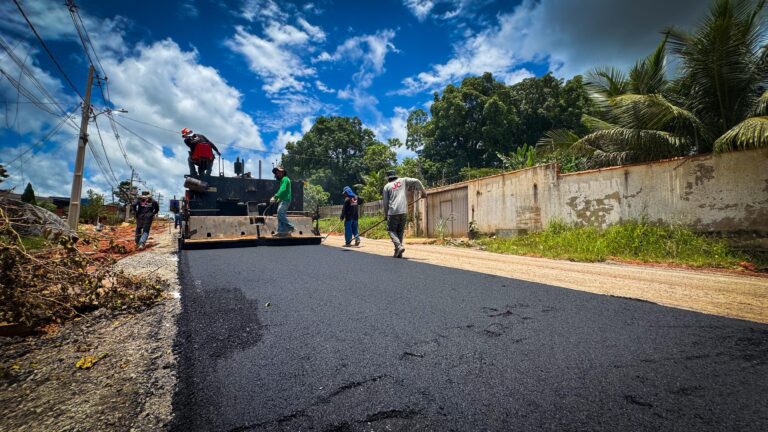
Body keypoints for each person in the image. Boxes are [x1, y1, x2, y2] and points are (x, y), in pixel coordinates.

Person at [382, 170, 426, 258]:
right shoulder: (403, 180)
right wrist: (424, 192)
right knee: (400, 231)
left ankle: (398, 246)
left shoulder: (387, 186)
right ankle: (398, 252)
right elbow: (417, 181)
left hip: (393, 212)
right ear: (396, 176)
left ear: (388, 178)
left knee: (391, 230)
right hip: (404, 211)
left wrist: (386, 214)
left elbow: (385, 202)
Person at [270, 166, 294, 236]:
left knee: (280, 213)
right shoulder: (282, 180)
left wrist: (275, 197)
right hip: (283, 200)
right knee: (279, 214)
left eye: (280, 172)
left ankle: (290, 226)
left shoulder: (285, 179)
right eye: (277, 173)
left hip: (286, 200)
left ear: (284, 172)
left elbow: (283, 189)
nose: (278, 174)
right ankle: (281, 231)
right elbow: (284, 192)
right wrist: (278, 199)